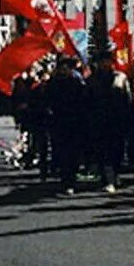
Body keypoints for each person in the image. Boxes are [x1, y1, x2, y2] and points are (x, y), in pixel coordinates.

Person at [88, 58, 131, 194]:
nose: (105, 64)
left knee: (117, 150)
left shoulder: (121, 78)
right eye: (103, 62)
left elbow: (128, 99)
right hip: (99, 120)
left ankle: (115, 173)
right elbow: (86, 100)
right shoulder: (93, 80)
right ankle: (106, 180)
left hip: (117, 120)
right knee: (102, 151)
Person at [46, 57, 88, 194]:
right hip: (59, 121)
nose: (65, 69)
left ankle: (72, 178)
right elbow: (48, 100)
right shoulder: (53, 82)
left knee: (74, 152)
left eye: (67, 67)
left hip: (75, 121)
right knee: (62, 151)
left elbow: (84, 99)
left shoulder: (77, 81)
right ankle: (66, 180)